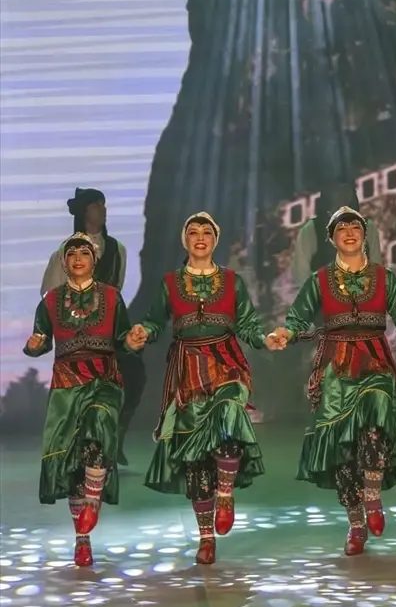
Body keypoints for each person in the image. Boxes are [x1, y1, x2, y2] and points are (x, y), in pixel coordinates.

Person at [272, 207, 396, 556]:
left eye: (356, 226)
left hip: (374, 361)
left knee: (376, 412)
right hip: (336, 367)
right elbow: (297, 318)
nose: (350, 232)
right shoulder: (320, 280)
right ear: (331, 239)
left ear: (365, 235)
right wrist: (286, 332)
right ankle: (356, 524)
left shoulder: (383, 278)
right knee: (341, 451)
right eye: (342, 229)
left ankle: (372, 496)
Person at [126, 213, 268, 565]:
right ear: (185, 240)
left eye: (207, 232)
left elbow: (248, 323)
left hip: (226, 364)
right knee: (197, 461)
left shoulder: (232, 282)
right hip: (187, 373)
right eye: (193, 232)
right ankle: (206, 538)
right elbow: (155, 321)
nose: (200, 237)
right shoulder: (170, 283)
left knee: (230, 414)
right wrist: (142, 332)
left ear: (215, 240)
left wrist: (265, 339)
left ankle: (225, 494)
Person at [24, 233, 130, 567]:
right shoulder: (51, 301)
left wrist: (134, 339)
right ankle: (82, 540)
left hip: (103, 379)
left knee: (98, 423)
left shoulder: (111, 297)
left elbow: (124, 338)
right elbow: (41, 340)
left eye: (85, 253)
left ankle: (93, 501)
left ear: (94, 261)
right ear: (64, 262)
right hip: (66, 384)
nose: (78, 258)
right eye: (72, 254)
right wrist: (34, 345)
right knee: (72, 463)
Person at [41, 188, 146, 466]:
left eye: (103, 204)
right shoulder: (65, 252)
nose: (102, 210)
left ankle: (114, 438)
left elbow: (116, 290)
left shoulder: (117, 250)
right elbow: (50, 296)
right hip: (75, 334)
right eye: (96, 205)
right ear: (84, 212)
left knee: (133, 374)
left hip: (106, 331)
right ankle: (72, 451)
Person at [290, 181, 384, 288]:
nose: (341, 195)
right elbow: (301, 275)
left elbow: (377, 270)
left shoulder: (368, 228)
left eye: (345, 190)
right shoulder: (311, 230)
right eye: (336, 190)